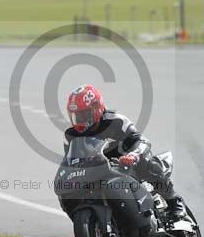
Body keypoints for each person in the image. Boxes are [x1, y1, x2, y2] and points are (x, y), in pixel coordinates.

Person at [64, 84, 186, 219]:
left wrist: (133, 155)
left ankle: (174, 200)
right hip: (99, 170)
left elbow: (141, 141)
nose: (80, 121)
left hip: (127, 163)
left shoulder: (116, 121)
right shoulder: (72, 135)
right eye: (76, 116)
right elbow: (71, 161)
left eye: (83, 114)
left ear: (96, 108)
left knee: (147, 163)